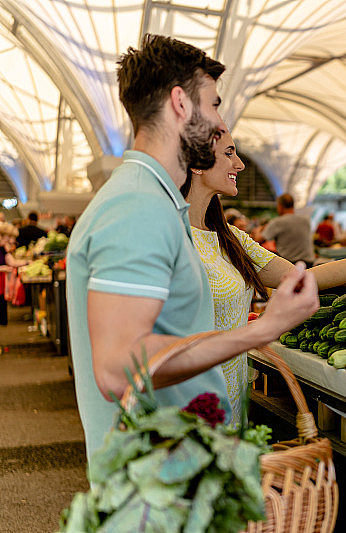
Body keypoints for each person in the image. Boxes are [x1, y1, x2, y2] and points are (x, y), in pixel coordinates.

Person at [66, 34, 320, 464]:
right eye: (214, 104)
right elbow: (115, 369)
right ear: (181, 103)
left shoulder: (154, 201)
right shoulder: (139, 206)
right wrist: (261, 330)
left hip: (176, 461)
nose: (219, 122)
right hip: (158, 474)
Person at [181, 129, 346, 421]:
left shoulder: (230, 238)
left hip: (231, 399)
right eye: (229, 154)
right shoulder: (170, 236)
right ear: (197, 163)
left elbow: (304, 278)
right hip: (185, 405)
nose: (239, 164)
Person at [262, 193, 316, 265]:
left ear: (280, 206)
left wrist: (258, 230)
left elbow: (260, 239)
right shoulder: (306, 220)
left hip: (289, 264)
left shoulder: (278, 222)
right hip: (309, 263)